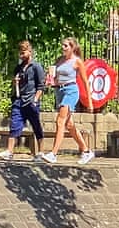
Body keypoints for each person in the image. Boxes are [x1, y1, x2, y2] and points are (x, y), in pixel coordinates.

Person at [41, 37, 95, 165]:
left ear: (72, 48)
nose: (63, 48)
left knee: (60, 121)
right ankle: (86, 151)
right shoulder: (60, 60)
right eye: (62, 45)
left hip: (71, 91)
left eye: (66, 46)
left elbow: (85, 82)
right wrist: (50, 80)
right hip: (59, 91)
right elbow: (53, 76)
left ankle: (53, 154)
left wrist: (90, 102)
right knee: (69, 125)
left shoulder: (77, 62)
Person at [0, 40, 46, 162]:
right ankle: (9, 151)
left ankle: (40, 152)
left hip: (31, 101)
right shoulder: (18, 68)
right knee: (14, 125)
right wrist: (15, 83)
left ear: (30, 51)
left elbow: (41, 86)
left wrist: (35, 100)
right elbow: (17, 83)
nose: (21, 55)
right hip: (19, 100)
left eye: (23, 52)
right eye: (20, 53)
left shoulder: (36, 67)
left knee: (36, 126)